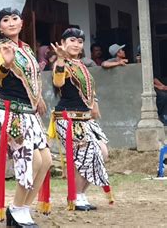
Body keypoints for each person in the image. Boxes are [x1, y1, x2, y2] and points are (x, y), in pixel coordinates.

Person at [0, 7, 52, 227]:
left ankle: (24, 207)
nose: (11, 22)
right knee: (31, 160)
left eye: (15, 18)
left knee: (46, 161)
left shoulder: (26, 49)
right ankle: (15, 208)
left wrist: (38, 97)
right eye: (6, 19)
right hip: (10, 111)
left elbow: (33, 78)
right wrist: (6, 64)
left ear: (22, 23)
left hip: (29, 111)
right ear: (0, 27)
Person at [51, 28, 113, 211]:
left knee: (102, 152)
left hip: (85, 118)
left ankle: (81, 194)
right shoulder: (61, 63)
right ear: (62, 43)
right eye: (72, 40)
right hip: (69, 118)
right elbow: (58, 82)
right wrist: (61, 58)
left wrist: (95, 105)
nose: (76, 44)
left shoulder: (81, 64)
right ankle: (76, 196)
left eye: (79, 41)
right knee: (83, 157)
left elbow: (89, 90)